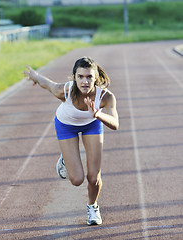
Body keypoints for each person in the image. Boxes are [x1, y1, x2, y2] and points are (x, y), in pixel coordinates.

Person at [24, 56, 119, 225]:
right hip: (66, 125)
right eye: (80, 76)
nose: (85, 81)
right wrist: (35, 76)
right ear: (74, 77)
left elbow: (115, 124)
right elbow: (48, 84)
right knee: (76, 180)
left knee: (93, 177)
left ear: (95, 77)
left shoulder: (105, 96)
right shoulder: (64, 91)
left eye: (89, 77)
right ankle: (66, 159)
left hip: (92, 124)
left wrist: (97, 114)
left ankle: (93, 207)